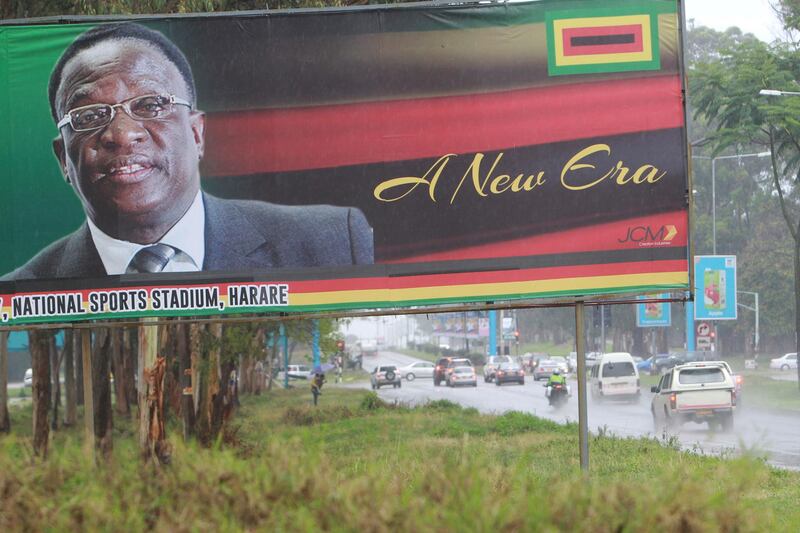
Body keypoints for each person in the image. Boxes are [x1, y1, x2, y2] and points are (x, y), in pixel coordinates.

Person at [1, 22, 373, 281]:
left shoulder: (333, 242)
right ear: (64, 159)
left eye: (151, 105)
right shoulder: (21, 289)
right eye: (91, 115)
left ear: (196, 134)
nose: (122, 134)